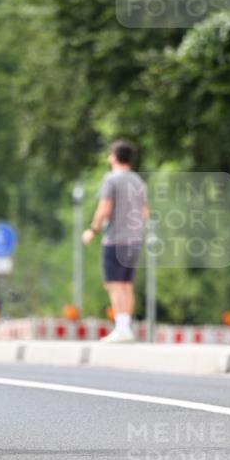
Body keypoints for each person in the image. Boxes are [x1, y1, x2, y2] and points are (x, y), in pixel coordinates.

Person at [82, 140, 147, 342]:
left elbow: (104, 208)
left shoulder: (111, 180)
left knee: (114, 284)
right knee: (127, 284)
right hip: (134, 240)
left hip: (116, 240)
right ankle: (125, 326)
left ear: (114, 157)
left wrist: (93, 230)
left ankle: (120, 328)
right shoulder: (138, 181)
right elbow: (145, 213)